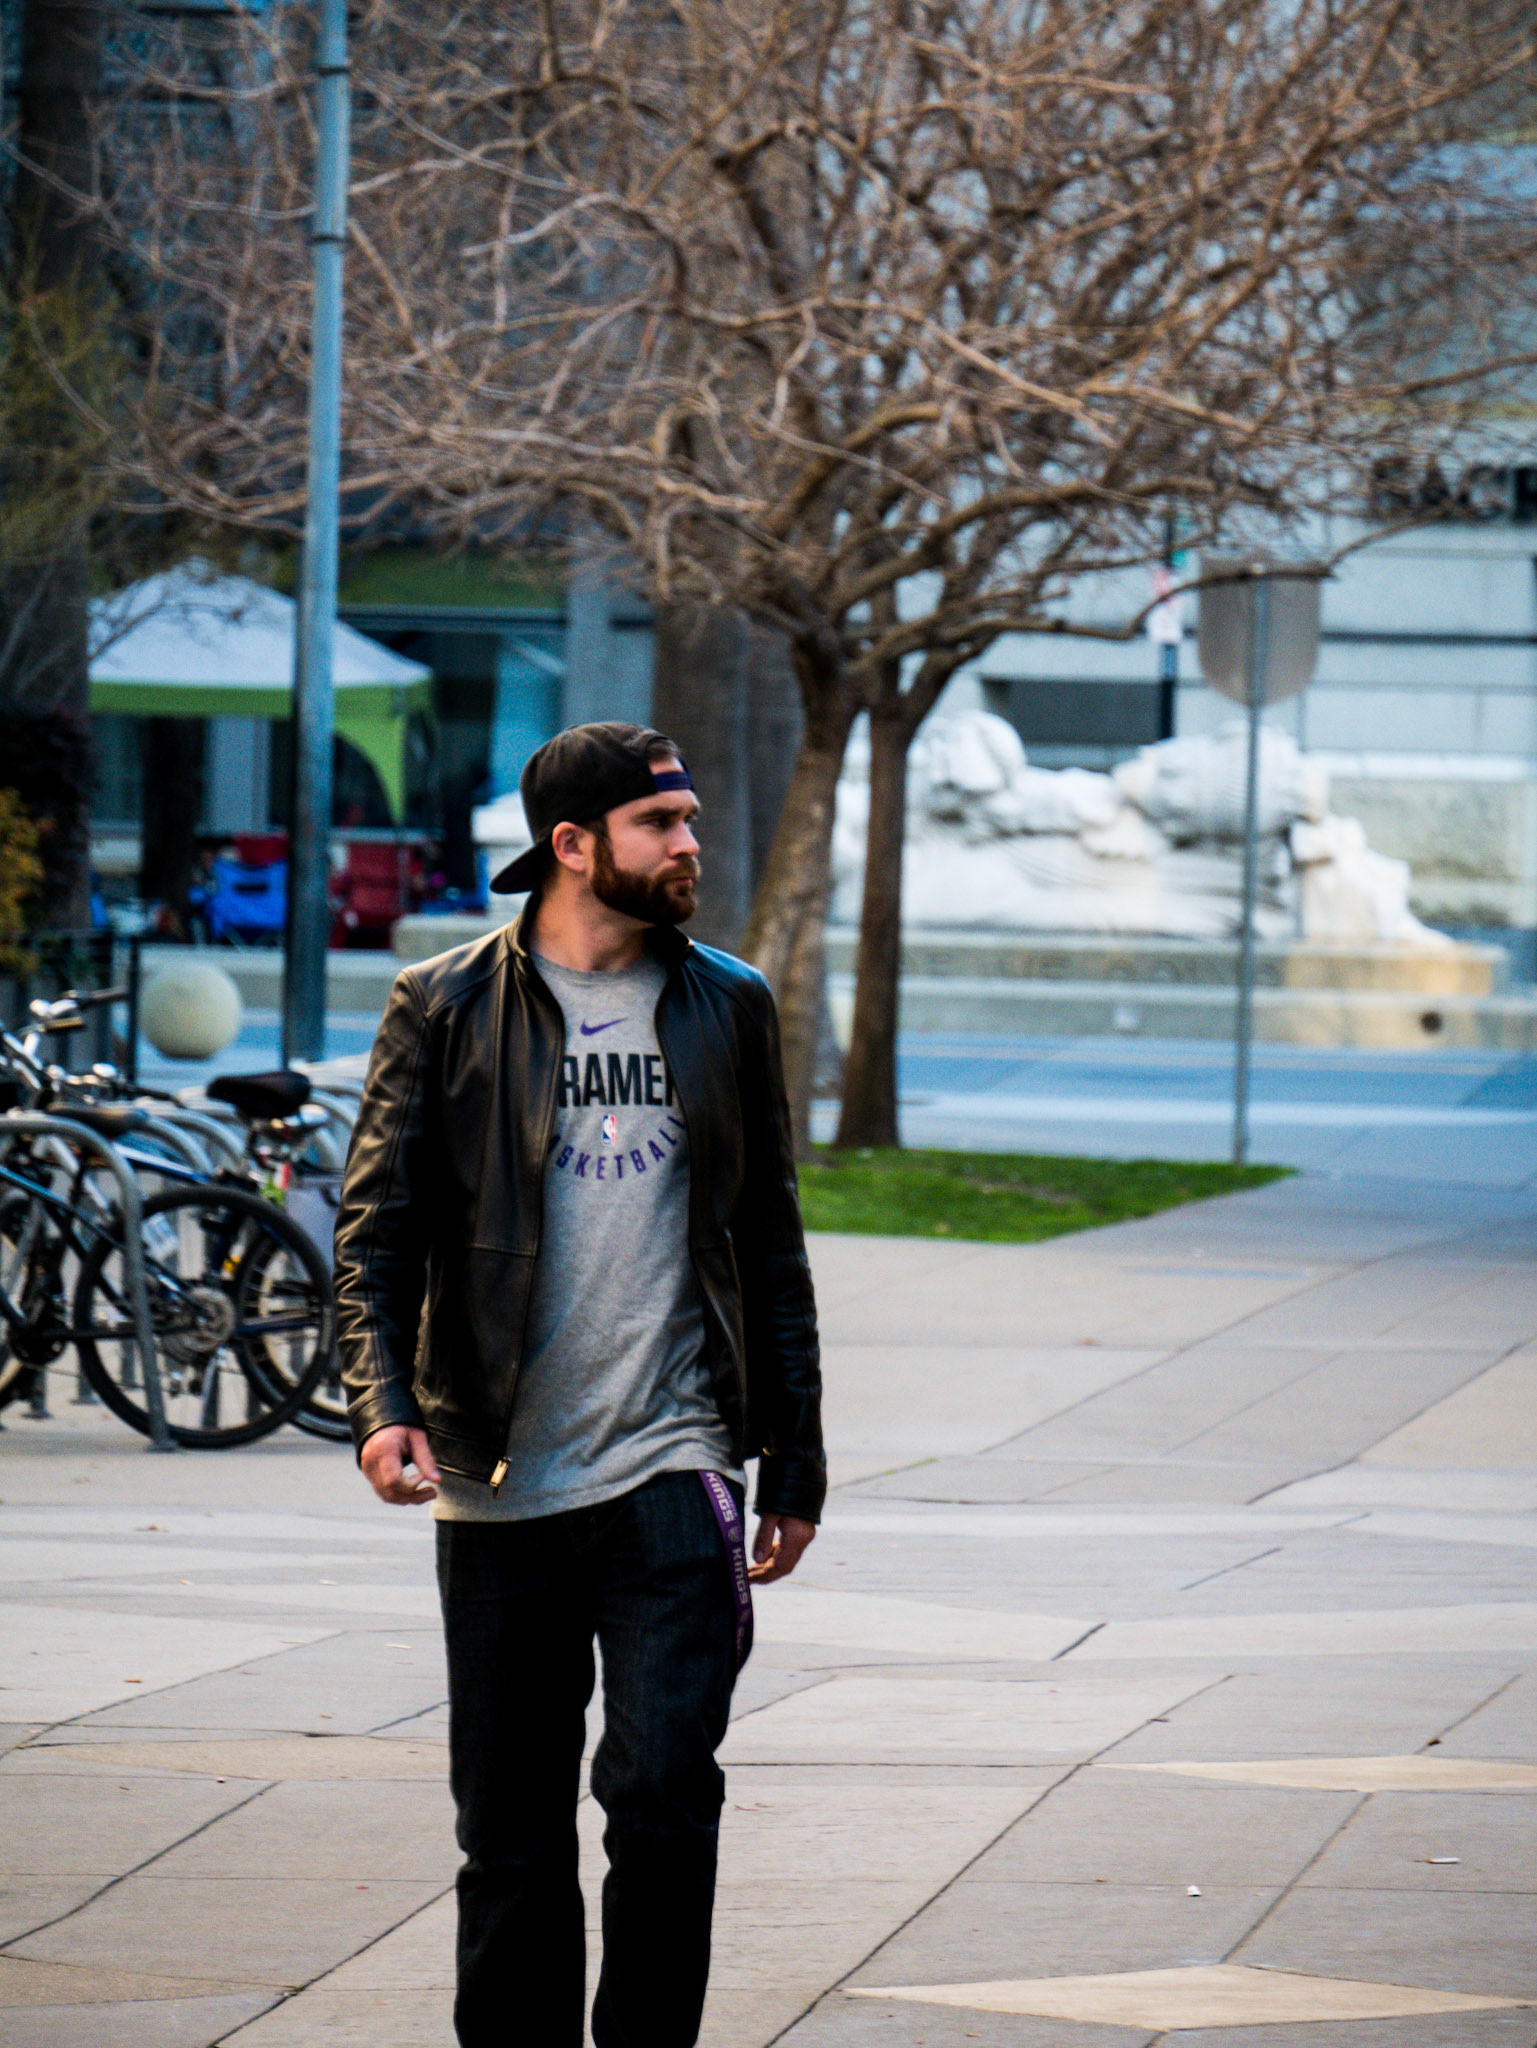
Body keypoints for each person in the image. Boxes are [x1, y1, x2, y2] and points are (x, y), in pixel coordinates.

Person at [333, 720, 825, 2048]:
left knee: (664, 1796)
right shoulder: (443, 1004)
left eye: (690, 819)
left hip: (673, 1461)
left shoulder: (727, 1002)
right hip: (498, 1477)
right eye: (661, 824)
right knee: (508, 1831)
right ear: (571, 844)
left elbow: (768, 1240)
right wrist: (383, 1407)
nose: (689, 845)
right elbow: (376, 1231)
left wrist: (795, 1458)